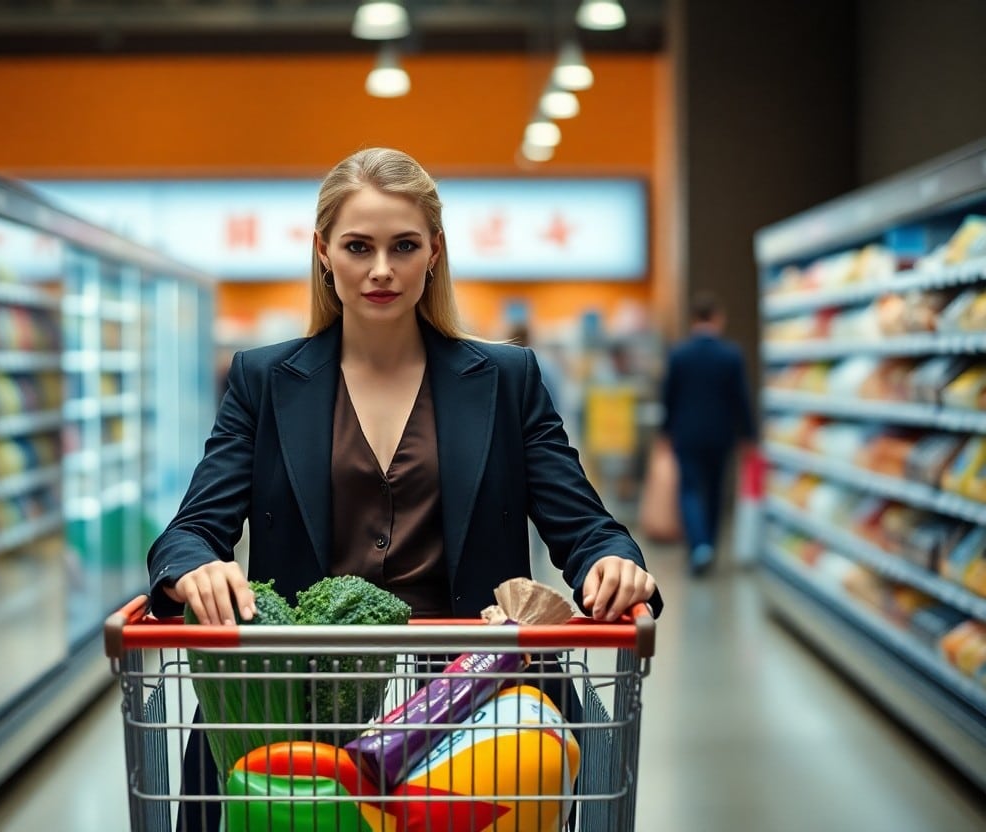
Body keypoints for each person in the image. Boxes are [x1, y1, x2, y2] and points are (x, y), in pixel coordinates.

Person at [146, 147, 663, 830]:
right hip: (303, 716)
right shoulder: (264, 383)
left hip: (480, 718)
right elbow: (190, 531)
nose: (382, 269)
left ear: (435, 252)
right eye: (358, 246)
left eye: (404, 246)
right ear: (324, 252)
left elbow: (585, 525)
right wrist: (197, 569)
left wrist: (612, 561)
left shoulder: (506, 381)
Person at [660, 291, 757, 575]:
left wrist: (665, 432)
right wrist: (748, 436)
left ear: (693, 320)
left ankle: (698, 545)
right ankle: (710, 546)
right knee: (715, 490)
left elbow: (669, 396)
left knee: (689, 489)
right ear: (717, 318)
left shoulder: (679, 354)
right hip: (721, 435)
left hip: (686, 434)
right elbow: (741, 398)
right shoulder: (731, 355)